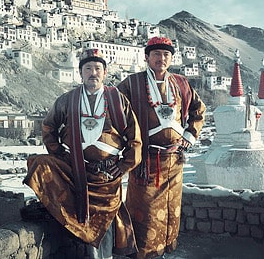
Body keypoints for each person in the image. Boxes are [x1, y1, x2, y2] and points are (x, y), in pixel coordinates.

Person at [24, 48, 142, 258]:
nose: (93, 73)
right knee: (39, 164)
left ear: (105, 73)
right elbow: (48, 128)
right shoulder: (66, 100)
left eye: (97, 68)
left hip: (106, 174)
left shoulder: (118, 100)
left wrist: (123, 166)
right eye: (88, 68)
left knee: (103, 219)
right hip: (75, 169)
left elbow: (135, 139)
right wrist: (60, 153)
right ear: (80, 73)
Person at [117, 36, 206, 258]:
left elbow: (198, 110)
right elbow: (116, 113)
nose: (161, 58)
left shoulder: (181, 83)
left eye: (166, 54)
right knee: (144, 211)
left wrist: (190, 134)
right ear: (147, 57)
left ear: (172, 59)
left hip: (174, 159)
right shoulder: (132, 83)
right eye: (156, 54)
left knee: (171, 207)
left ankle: (168, 247)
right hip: (146, 161)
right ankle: (143, 252)